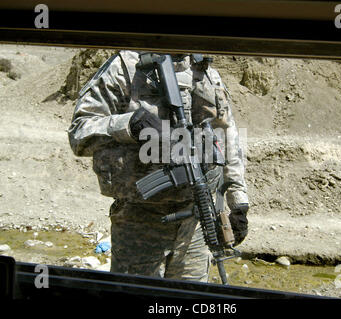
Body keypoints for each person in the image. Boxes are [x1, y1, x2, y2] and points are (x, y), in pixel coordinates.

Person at [67, 50, 249, 282]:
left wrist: (239, 202)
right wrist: (129, 124)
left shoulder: (203, 69)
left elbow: (227, 137)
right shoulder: (124, 67)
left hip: (196, 222)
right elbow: (79, 133)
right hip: (139, 222)